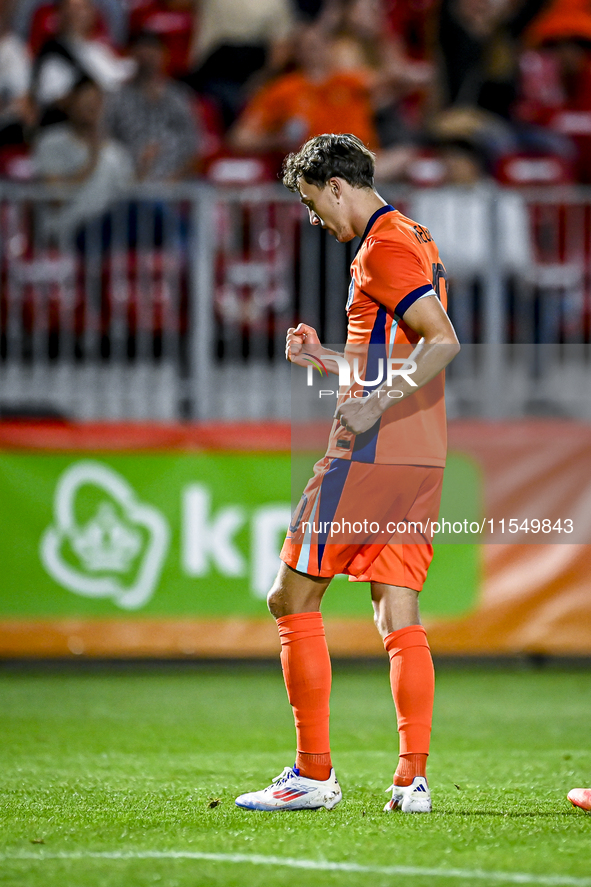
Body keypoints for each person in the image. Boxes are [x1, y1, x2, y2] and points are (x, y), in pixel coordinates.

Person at [234, 133, 460, 814]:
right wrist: (327, 362)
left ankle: (311, 774)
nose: (314, 220)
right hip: (420, 451)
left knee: (288, 598)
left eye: (311, 203)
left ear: (336, 185)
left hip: (369, 452)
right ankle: (409, 780)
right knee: (397, 607)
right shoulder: (413, 234)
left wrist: (372, 406)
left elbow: (442, 339)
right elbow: (398, 349)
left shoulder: (381, 247)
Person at [33, 76, 133, 238]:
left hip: (113, 229)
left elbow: (127, 195)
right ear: (70, 103)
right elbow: (55, 198)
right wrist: (92, 161)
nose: (92, 107)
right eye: (86, 102)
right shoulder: (50, 143)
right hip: (73, 229)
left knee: (151, 211)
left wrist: (143, 169)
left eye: (96, 102)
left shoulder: (116, 151)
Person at [105, 30, 198, 181]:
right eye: (143, 50)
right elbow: (106, 145)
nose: (148, 57)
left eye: (153, 50)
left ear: (163, 55)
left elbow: (194, 148)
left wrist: (173, 181)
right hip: (128, 184)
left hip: (177, 186)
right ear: (132, 54)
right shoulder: (117, 98)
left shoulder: (180, 96)